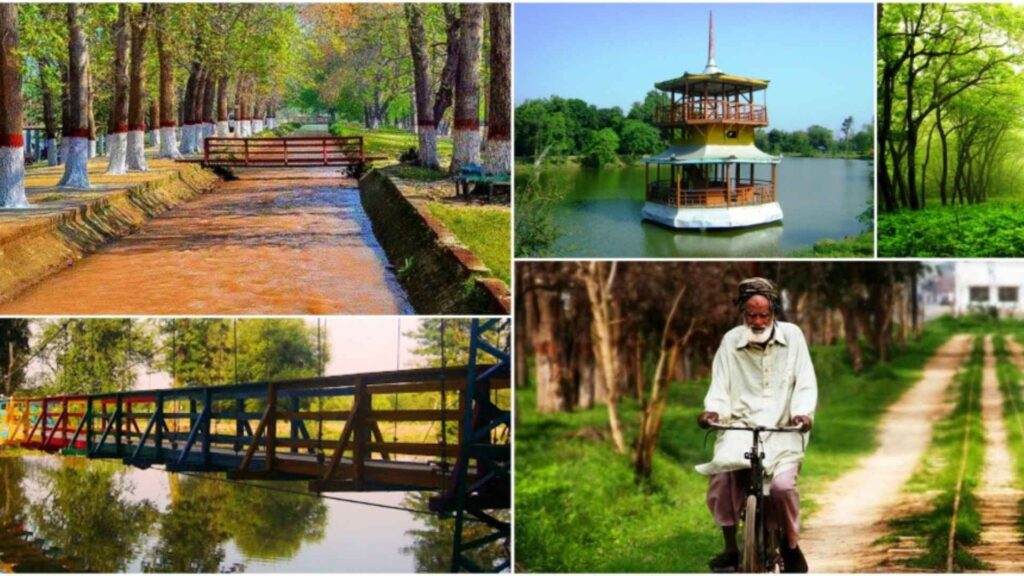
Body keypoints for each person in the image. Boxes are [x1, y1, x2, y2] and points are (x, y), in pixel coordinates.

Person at [696, 277, 817, 573]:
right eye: (752, 315)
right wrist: (712, 412)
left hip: (783, 429)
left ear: (774, 311)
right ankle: (731, 547)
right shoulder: (730, 342)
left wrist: (802, 413)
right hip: (740, 425)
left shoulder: (793, 336)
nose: (759, 321)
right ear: (743, 313)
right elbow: (720, 386)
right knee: (722, 476)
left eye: (764, 315)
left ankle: (790, 546)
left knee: (782, 487)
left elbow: (805, 382)